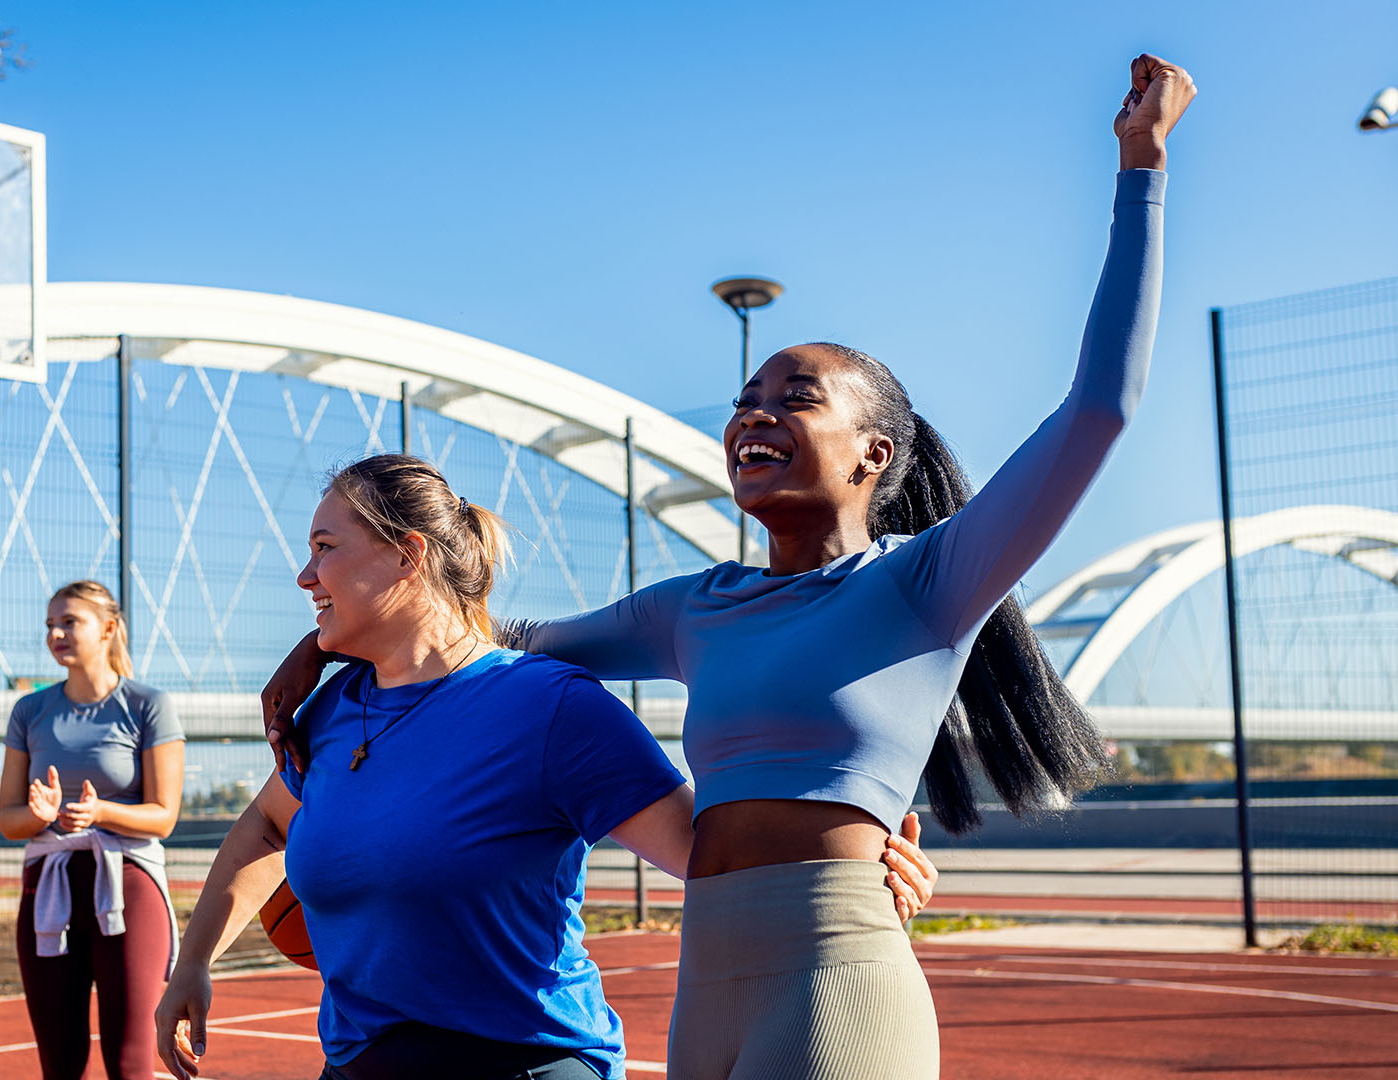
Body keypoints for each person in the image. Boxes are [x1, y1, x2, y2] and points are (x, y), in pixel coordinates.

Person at [263, 55, 1196, 1079]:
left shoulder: (927, 585)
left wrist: (1139, 166)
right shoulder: (694, 611)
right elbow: (476, 643)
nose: (753, 412)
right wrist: (328, 649)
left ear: (872, 454)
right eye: (746, 397)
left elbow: (1101, 407)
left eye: (794, 397)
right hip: (706, 982)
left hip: (839, 966)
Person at [159, 456, 937, 1080]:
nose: (305, 576)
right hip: (360, 1062)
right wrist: (192, 964)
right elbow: (267, 824)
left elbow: (707, 855)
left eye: (325, 548)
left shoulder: (550, 708)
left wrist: (852, 885)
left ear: (406, 555)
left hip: (521, 1060)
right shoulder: (330, 714)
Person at [0, 580, 186, 1080]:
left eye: (69, 622)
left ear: (107, 628)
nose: (56, 633)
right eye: (49, 625)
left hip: (129, 887)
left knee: (129, 1064)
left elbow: (164, 815)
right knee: (60, 1065)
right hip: (48, 889)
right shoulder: (29, 711)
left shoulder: (148, 704)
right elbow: (9, 819)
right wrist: (41, 815)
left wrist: (99, 812)